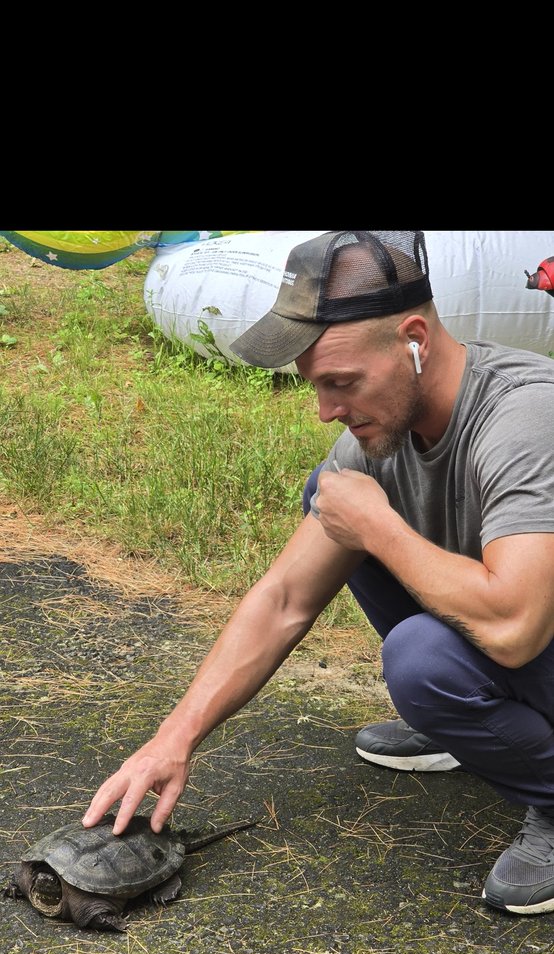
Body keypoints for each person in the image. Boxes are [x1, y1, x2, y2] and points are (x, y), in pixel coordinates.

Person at [83, 230, 554, 917]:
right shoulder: (383, 430)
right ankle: (471, 725)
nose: (326, 409)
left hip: (530, 626)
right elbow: (282, 600)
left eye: (341, 382)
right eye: (315, 386)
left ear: (415, 338)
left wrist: (381, 530)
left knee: (420, 655)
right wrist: (172, 739)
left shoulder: (524, 417)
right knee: (331, 497)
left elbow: (514, 628)